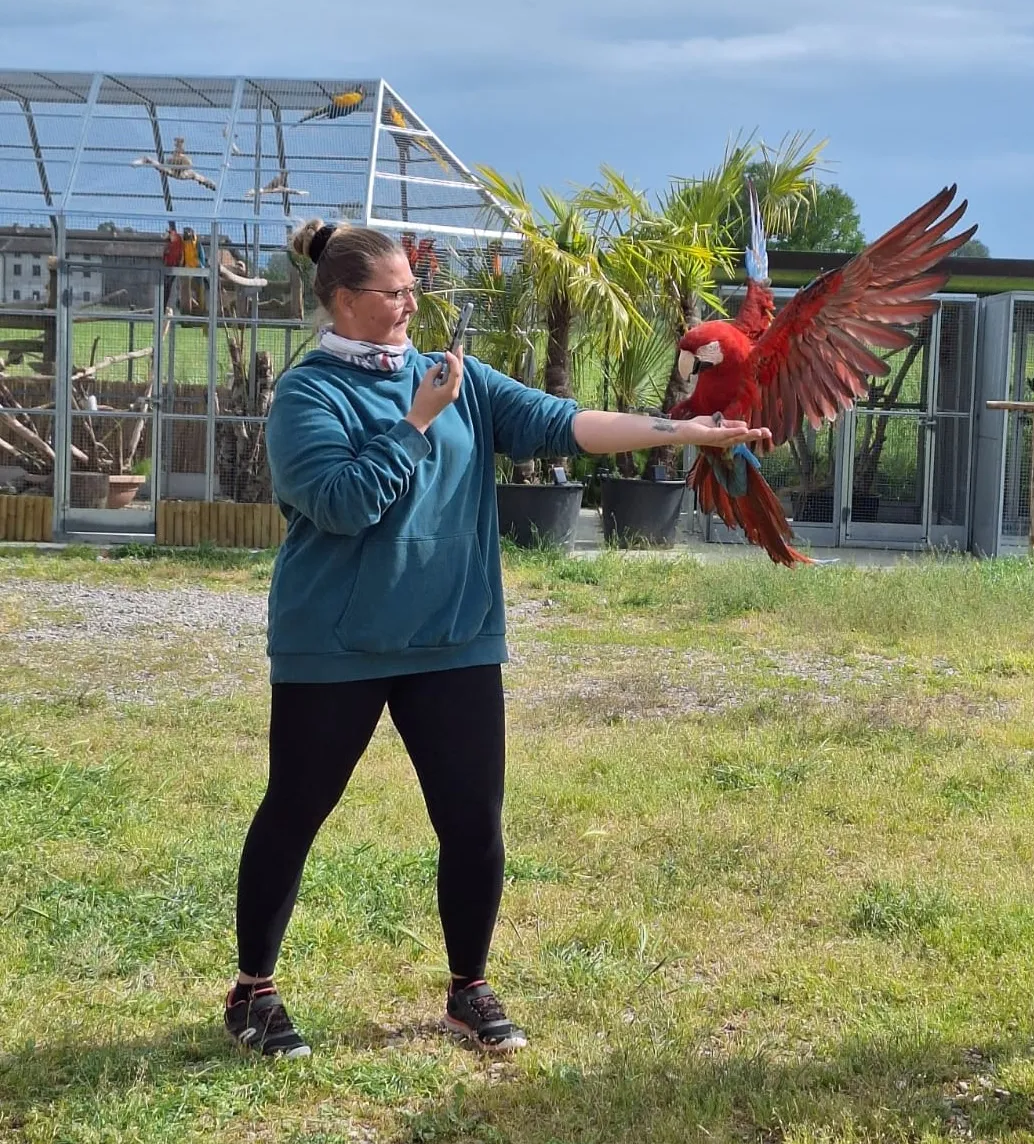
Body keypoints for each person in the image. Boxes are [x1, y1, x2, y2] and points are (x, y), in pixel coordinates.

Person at [225, 219, 769, 1057]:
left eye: (414, 288)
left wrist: (683, 433)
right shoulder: (308, 395)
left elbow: (565, 423)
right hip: (334, 645)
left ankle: (467, 987)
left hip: (455, 640)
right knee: (295, 811)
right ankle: (253, 993)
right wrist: (413, 422)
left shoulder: (457, 380)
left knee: (474, 822)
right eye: (393, 292)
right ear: (342, 299)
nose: (411, 303)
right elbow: (339, 503)